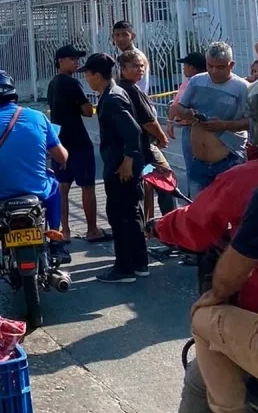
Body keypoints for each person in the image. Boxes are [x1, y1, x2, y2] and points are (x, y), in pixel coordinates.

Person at [147, 143, 258, 413]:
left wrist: (159, 226)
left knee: (201, 349)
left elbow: (196, 224)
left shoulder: (247, 179)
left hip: (255, 328)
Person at [0, 70, 70, 311]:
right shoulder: (38, 117)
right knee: (54, 187)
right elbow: (62, 156)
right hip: (37, 193)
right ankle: (55, 238)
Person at [79, 53, 149, 283]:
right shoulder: (113, 93)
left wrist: (128, 160)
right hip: (123, 163)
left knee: (120, 216)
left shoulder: (112, 99)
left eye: (88, 74)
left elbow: (133, 131)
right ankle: (139, 263)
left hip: (121, 167)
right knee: (132, 213)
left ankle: (124, 268)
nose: (86, 79)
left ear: (97, 75)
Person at [171, 41, 250, 198]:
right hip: (198, 162)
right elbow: (178, 108)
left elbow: (252, 121)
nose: (214, 71)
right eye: (210, 66)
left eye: (220, 67)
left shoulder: (242, 87)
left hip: (229, 160)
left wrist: (225, 125)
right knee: (198, 214)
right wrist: (187, 113)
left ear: (231, 65)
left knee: (229, 209)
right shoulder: (196, 81)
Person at [47, 44, 108, 243]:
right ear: (60, 61)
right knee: (87, 186)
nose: (76, 62)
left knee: (62, 187)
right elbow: (87, 111)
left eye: (77, 59)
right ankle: (92, 229)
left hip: (59, 141)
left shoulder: (53, 84)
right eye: (72, 59)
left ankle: (64, 231)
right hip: (78, 141)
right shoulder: (72, 84)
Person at [116, 50, 176, 220]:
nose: (140, 70)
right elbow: (148, 121)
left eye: (142, 66)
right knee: (166, 180)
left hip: (133, 148)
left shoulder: (121, 89)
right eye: (135, 66)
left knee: (143, 187)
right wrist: (162, 137)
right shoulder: (131, 90)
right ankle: (170, 223)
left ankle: (149, 225)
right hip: (144, 147)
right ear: (123, 69)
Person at [167, 52, 208, 178]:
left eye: (185, 65)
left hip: (191, 129)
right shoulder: (210, 80)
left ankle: (195, 196)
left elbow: (175, 106)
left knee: (192, 168)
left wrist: (170, 122)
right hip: (209, 127)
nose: (183, 68)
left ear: (192, 68)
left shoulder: (190, 83)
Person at [112, 20, 150, 93]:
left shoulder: (136, 57)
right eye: (117, 35)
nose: (120, 39)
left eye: (125, 35)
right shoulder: (124, 56)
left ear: (133, 36)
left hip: (133, 100)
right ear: (113, 37)